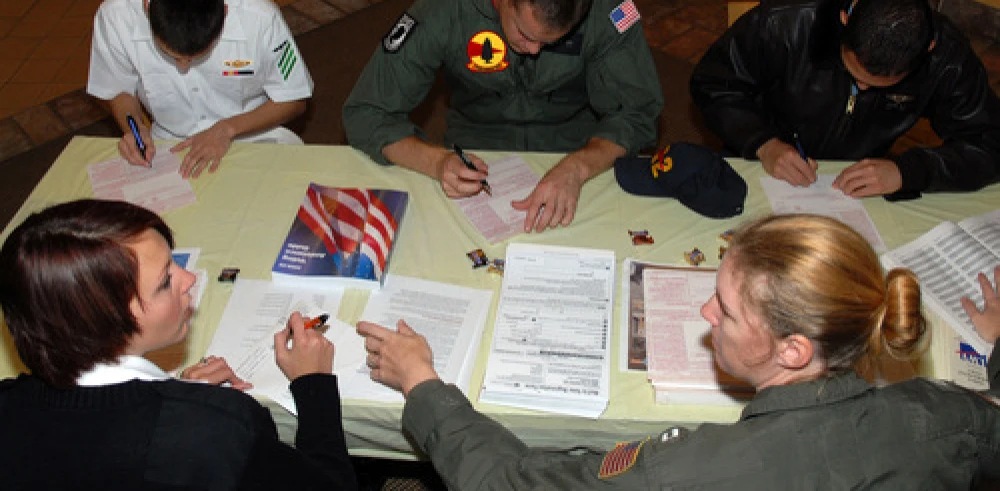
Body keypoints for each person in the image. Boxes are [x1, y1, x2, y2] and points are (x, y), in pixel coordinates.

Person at [357, 214, 1000, 489]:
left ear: (795, 350)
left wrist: (422, 384)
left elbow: (508, 484)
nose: (704, 313)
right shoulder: (944, 414)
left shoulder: (692, 471)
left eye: (726, 307)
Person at [0, 200, 357, 490]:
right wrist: (314, 386)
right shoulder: (222, 428)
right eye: (166, 281)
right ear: (109, 321)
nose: (189, 279)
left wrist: (176, 396)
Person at [343, 0, 663, 232]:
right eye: (525, 33)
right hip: (475, 157)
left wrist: (578, 167)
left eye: (554, 41)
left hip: (578, 154)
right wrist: (437, 162)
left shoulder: (607, 6)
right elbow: (366, 112)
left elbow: (639, 111)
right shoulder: (448, 4)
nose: (534, 50)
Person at [690, 0, 1000, 201]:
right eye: (854, 74)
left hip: (854, 184)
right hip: (759, 160)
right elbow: (712, 85)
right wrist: (763, 142)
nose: (862, 89)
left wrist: (907, 172)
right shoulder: (782, 22)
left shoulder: (946, 56)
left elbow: (989, 145)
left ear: (928, 50)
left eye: (879, 85)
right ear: (843, 20)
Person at [88, 0, 313, 179]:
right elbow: (118, 91)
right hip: (167, 143)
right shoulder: (115, 17)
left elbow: (293, 99)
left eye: (196, 57)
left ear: (225, 13)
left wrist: (227, 129)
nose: (184, 66)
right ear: (147, 10)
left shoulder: (261, 17)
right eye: (173, 57)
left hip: (253, 134)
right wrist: (135, 131)